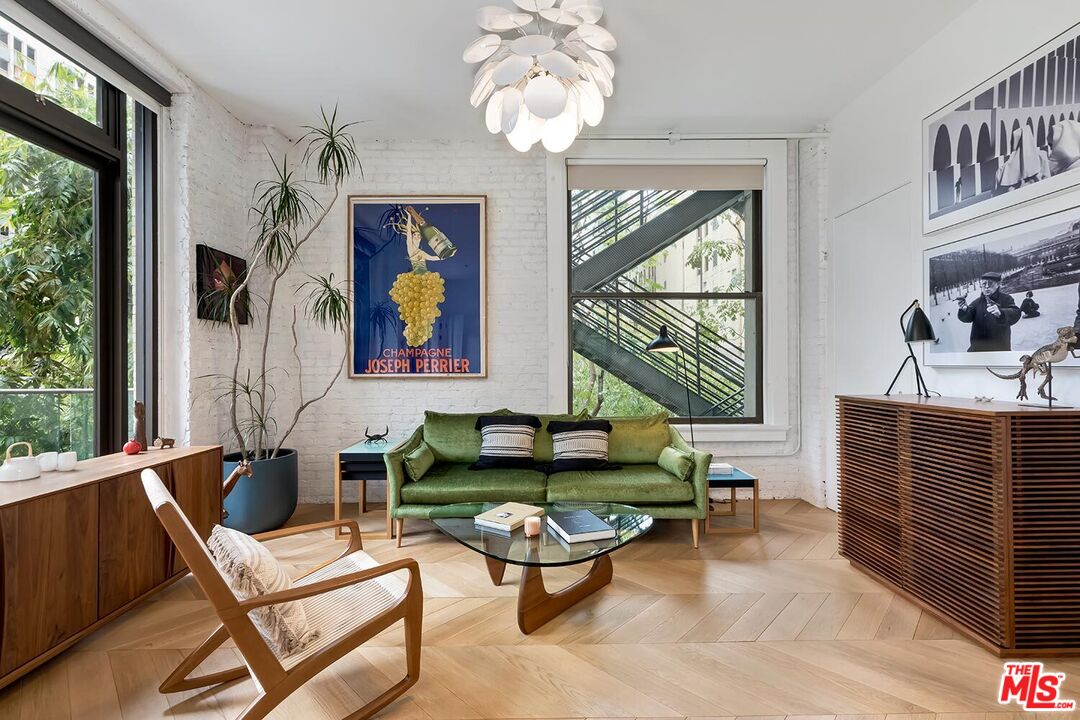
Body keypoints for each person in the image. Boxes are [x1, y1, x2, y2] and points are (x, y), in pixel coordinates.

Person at [957, 271, 1021, 351]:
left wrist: (1001, 313)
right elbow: (968, 318)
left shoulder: (1006, 299)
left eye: (990, 284)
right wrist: (965, 310)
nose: (987, 287)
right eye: (984, 284)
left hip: (1000, 348)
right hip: (978, 349)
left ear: (997, 285)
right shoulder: (977, 302)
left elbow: (1016, 313)